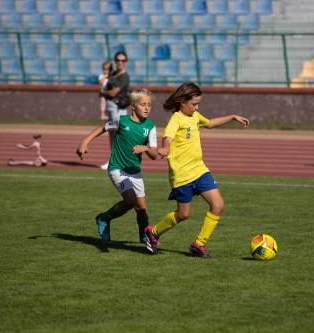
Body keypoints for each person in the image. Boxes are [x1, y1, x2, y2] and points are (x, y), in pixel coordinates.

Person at [144, 82, 250, 258]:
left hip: (200, 170)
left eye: (198, 104)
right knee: (183, 214)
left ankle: (198, 244)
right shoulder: (176, 119)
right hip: (182, 175)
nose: (197, 107)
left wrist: (232, 117)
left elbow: (209, 123)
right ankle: (153, 232)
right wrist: (166, 148)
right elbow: (167, 138)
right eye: (194, 104)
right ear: (182, 101)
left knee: (218, 205)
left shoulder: (194, 116)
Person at [76, 88, 157, 243]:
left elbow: (153, 155)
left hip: (134, 171)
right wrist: (85, 141)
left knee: (141, 209)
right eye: (143, 104)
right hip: (117, 168)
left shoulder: (150, 127)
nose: (147, 108)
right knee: (131, 201)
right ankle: (104, 218)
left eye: (149, 104)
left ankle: (144, 236)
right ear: (133, 106)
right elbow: (102, 128)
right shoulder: (121, 120)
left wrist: (145, 148)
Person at [100, 51, 131, 171]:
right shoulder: (113, 74)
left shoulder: (124, 76)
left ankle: (120, 162)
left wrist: (103, 92)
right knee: (111, 134)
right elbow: (103, 84)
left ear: (126, 62)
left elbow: (113, 92)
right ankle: (114, 160)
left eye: (123, 60)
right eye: (118, 60)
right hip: (111, 106)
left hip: (119, 108)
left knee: (118, 135)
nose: (120, 62)